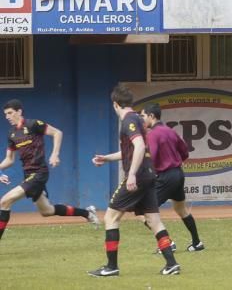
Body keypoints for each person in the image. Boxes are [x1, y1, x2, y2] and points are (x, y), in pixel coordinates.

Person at [89, 84, 180, 277]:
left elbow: (138, 146)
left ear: (115, 104)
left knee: (110, 217)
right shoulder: (139, 119)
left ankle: (111, 266)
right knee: (154, 220)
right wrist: (107, 158)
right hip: (149, 174)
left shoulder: (128, 120)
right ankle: (172, 264)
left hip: (138, 175)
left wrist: (131, 174)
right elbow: (130, 150)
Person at [0, 100, 98, 244]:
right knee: (47, 211)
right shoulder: (12, 134)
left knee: (5, 201)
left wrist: (55, 154)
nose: (7, 116)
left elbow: (57, 133)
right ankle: (87, 213)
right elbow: (9, 160)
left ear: (19, 111)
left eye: (10, 113)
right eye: (5, 114)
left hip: (39, 173)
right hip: (28, 175)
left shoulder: (33, 124)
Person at [139, 104, 203, 252]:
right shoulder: (170, 131)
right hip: (178, 174)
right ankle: (197, 243)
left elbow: (151, 158)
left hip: (166, 176)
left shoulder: (152, 134)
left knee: (144, 210)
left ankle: (167, 243)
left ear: (151, 116)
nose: (142, 120)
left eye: (143, 116)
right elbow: (185, 152)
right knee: (181, 209)